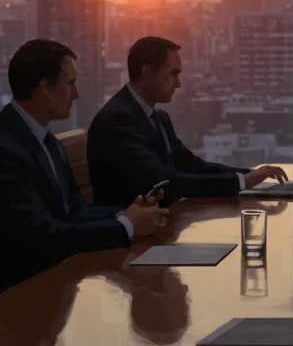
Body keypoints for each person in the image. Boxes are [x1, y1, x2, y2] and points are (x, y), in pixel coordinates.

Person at [0, 40, 167, 292]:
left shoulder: (45, 140)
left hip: (57, 280)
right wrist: (126, 226)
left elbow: (75, 209)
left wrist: (126, 214)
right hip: (22, 295)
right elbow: (41, 236)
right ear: (45, 88)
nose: (76, 93)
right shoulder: (6, 149)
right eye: (71, 83)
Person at [87, 36, 288, 206]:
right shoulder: (117, 121)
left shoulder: (157, 117)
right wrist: (243, 181)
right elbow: (165, 181)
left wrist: (251, 174)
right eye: (173, 74)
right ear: (147, 72)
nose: (178, 83)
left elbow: (190, 165)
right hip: (136, 236)